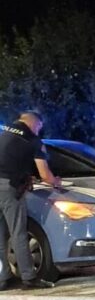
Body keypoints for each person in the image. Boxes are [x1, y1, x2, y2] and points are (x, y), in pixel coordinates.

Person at [0, 111, 61, 290]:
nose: (38, 131)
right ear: (34, 123)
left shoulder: (3, 134)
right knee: (18, 232)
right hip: (9, 189)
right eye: (39, 127)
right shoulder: (32, 141)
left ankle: (4, 277)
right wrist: (55, 181)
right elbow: (45, 175)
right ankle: (29, 277)